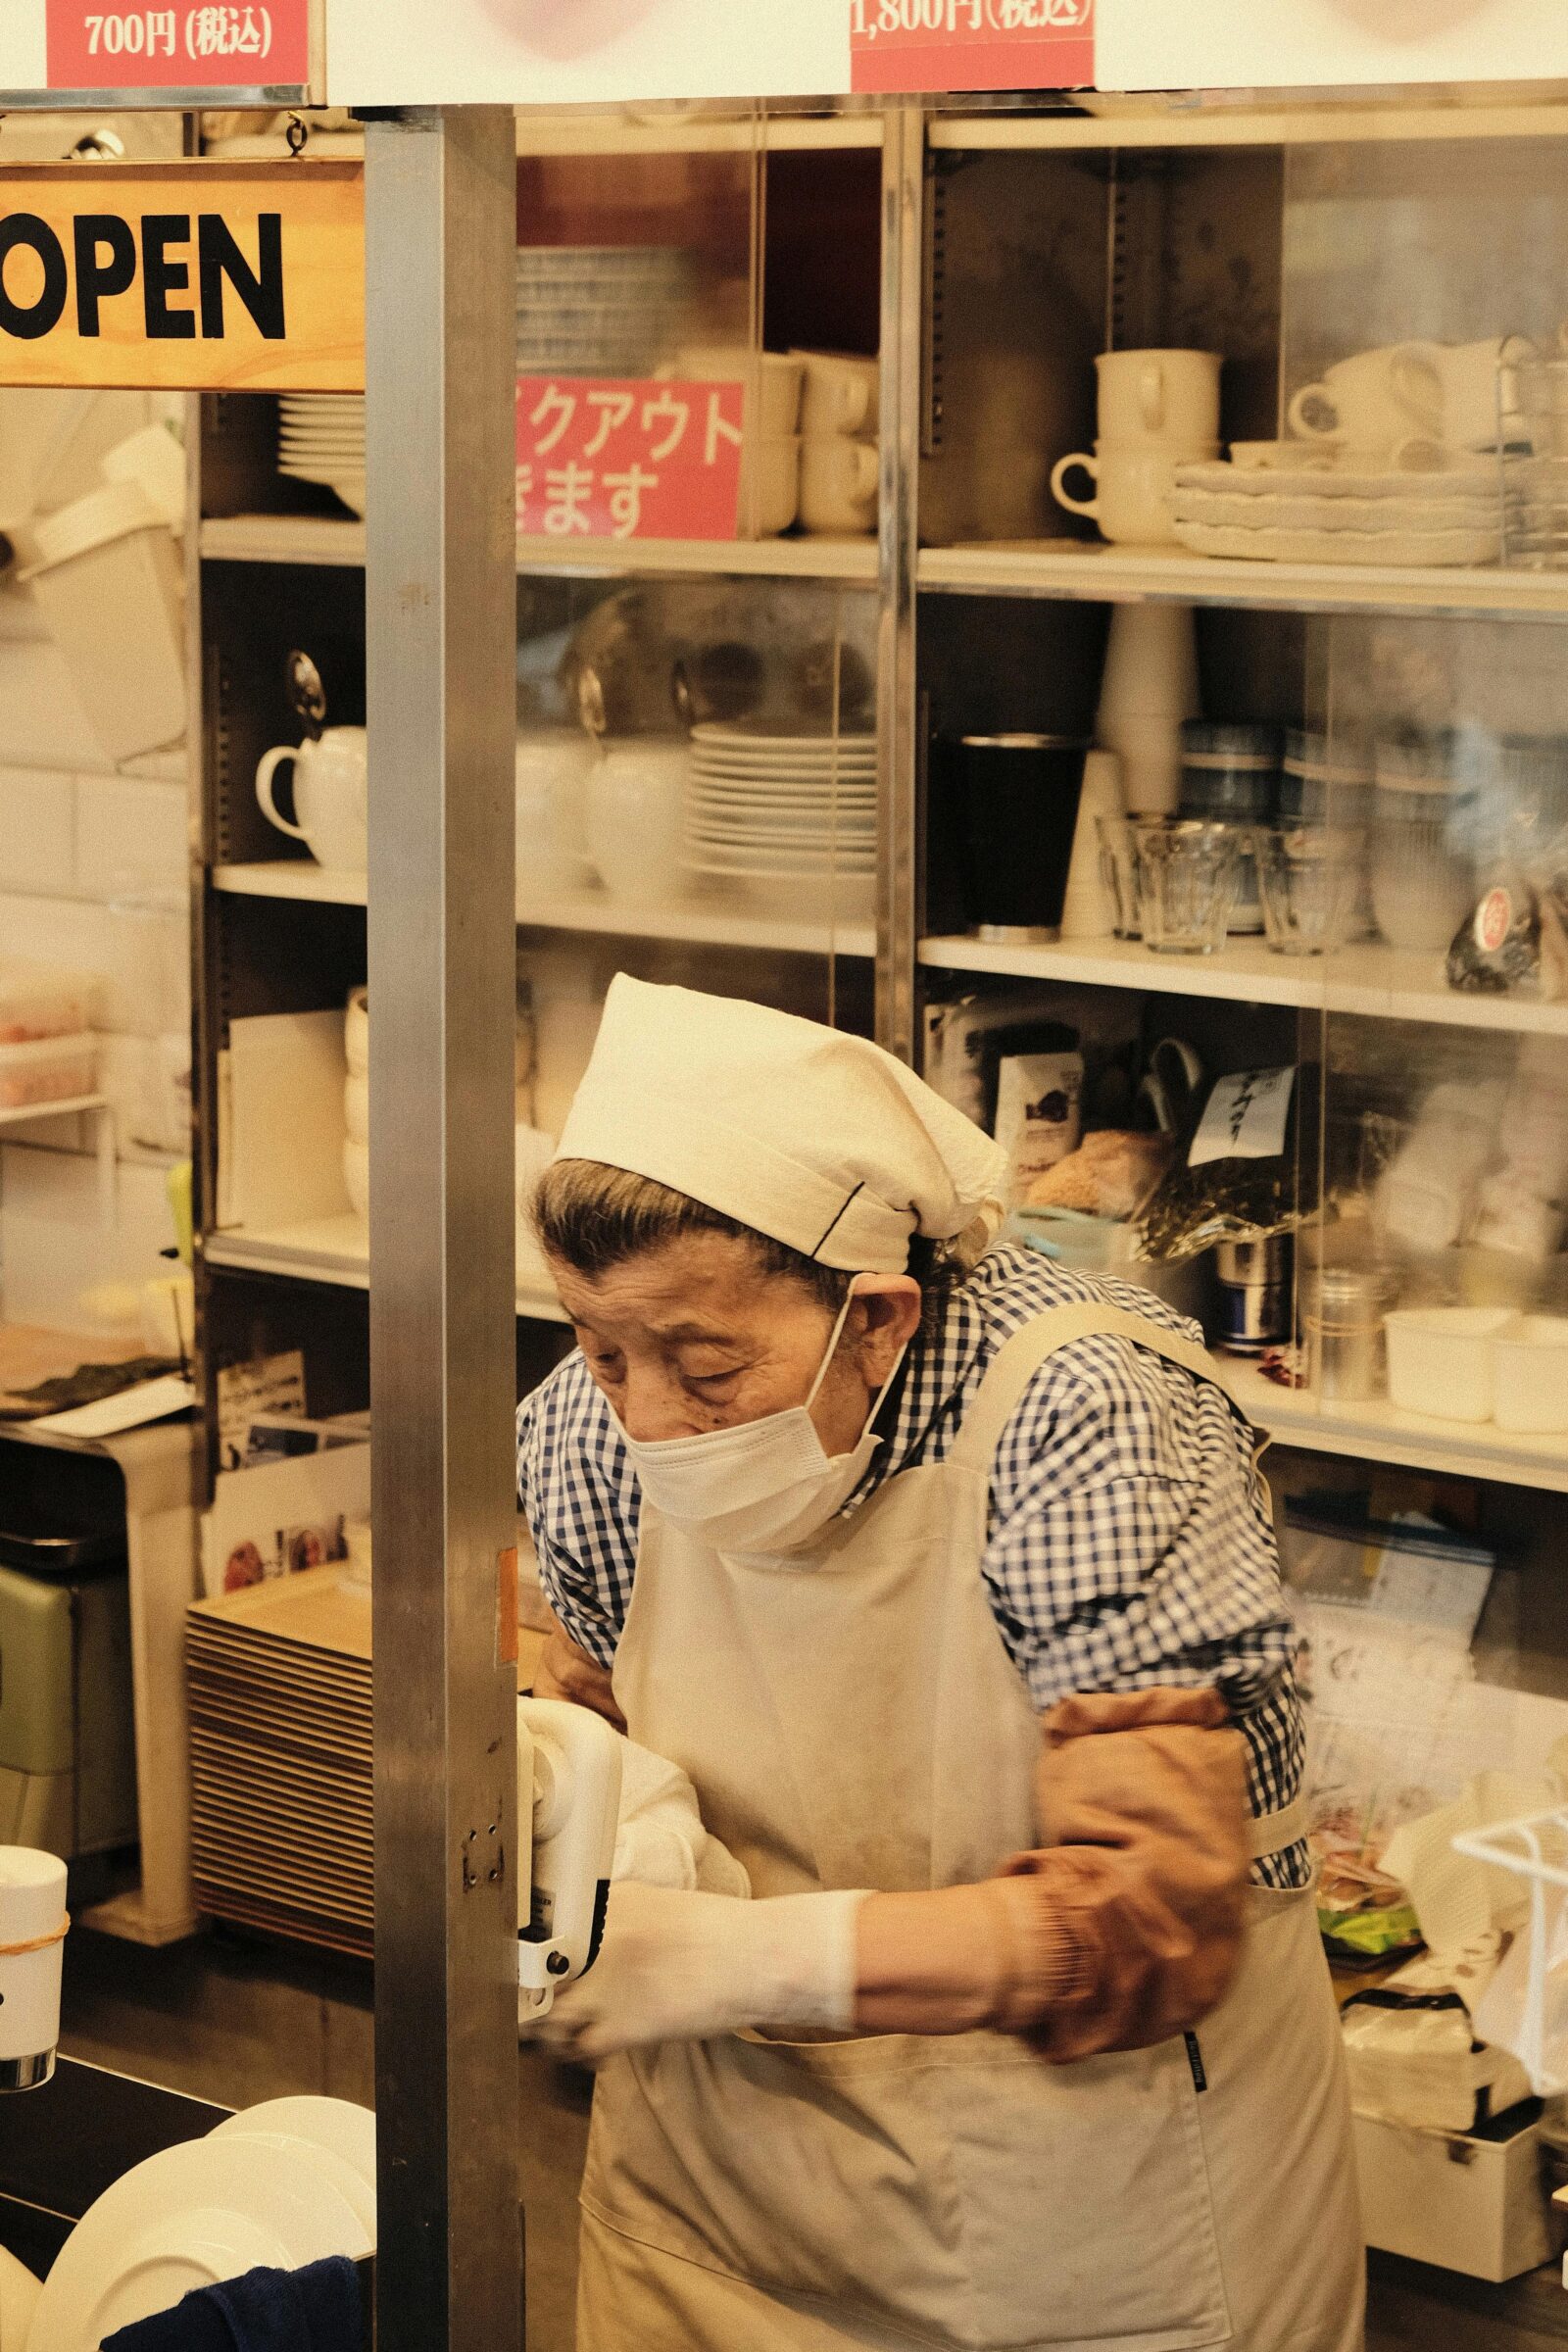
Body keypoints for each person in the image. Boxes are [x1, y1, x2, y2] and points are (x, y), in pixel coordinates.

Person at [516, 974, 1363, 2352]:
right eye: (603, 1350)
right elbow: (592, 1715)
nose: (652, 1419)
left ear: (880, 1320)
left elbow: (1150, 1920)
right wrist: (597, 1815)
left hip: (1085, 2242)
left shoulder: (1084, 1420)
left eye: (708, 1367)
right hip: (711, 2229)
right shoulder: (579, 1433)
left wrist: (747, 1958)